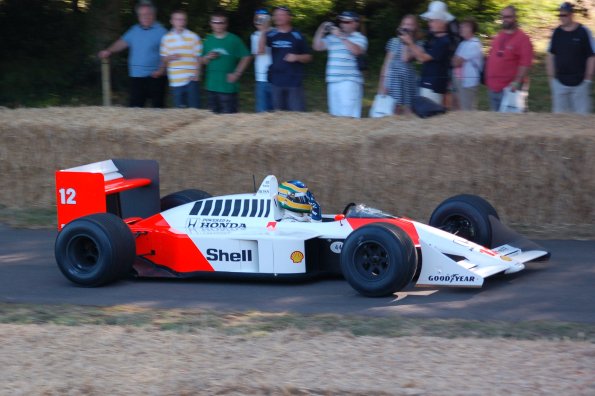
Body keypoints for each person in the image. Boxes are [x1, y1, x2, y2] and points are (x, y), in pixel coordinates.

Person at [98, 1, 167, 108]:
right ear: (138, 16)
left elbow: (167, 54)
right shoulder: (134, 30)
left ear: (153, 15)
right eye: (141, 15)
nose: (145, 17)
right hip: (136, 76)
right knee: (135, 108)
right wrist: (109, 51)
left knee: (158, 108)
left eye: (148, 14)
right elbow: (122, 42)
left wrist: (161, 70)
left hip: (156, 76)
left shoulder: (162, 32)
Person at [313, 11, 368, 118]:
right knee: (335, 118)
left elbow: (356, 51)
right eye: (341, 21)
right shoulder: (332, 38)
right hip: (332, 81)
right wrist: (322, 28)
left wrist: (341, 37)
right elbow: (317, 46)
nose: (342, 23)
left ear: (355, 23)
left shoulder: (360, 37)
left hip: (349, 82)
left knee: (348, 118)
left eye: (346, 21)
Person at [258, 6, 312, 111]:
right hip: (276, 82)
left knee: (297, 115)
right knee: (279, 115)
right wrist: (263, 31)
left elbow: (308, 57)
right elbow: (260, 50)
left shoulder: (297, 35)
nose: (278, 17)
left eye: (281, 14)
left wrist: (297, 57)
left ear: (289, 17)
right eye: (276, 15)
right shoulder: (271, 34)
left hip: (294, 82)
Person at [400, 1, 455, 105]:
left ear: (442, 22)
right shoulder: (433, 39)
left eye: (432, 21)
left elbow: (422, 58)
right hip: (426, 84)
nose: (429, 23)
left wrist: (410, 43)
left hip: (433, 86)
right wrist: (408, 39)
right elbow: (408, 57)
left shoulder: (444, 41)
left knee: (429, 117)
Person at [546, 2, 595, 114]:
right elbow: (550, 55)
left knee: (581, 120)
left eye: (565, 15)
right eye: (560, 15)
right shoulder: (556, 33)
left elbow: (591, 56)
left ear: (572, 15)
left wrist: (587, 79)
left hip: (580, 84)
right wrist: (552, 80)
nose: (561, 18)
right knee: (559, 119)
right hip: (560, 83)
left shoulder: (584, 32)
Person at [485, 6, 533, 111]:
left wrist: (516, 82)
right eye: (503, 17)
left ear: (515, 18)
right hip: (493, 88)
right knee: (496, 123)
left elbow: (525, 64)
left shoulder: (523, 39)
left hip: (510, 89)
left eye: (508, 17)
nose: (505, 19)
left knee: (511, 123)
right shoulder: (499, 36)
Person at [202, 12, 252, 114]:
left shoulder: (234, 39)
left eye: (221, 22)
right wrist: (207, 57)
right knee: (212, 120)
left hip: (228, 87)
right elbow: (202, 60)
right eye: (215, 22)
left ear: (226, 24)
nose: (218, 25)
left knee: (229, 120)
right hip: (211, 86)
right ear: (211, 23)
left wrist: (237, 74)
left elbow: (246, 57)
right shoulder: (208, 40)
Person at [378, 14, 421, 115]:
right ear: (401, 26)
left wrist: (407, 41)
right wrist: (382, 84)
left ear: (415, 27)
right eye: (405, 24)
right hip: (393, 78)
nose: (407, 27)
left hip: (408, 79)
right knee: (393, 108)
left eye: (410, 24)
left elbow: (405, 58)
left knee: (409, 108)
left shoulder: (417, 44)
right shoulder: (394, 41)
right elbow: (386, 63)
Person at [160, 10, 202, 108]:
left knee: (194, 109)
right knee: (179, 111)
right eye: (177, 19)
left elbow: (198, 58)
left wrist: (197, 74)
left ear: (186, 21)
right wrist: (170, 57)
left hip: (191, 79)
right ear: (172, 21)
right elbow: (163, 60)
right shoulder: (166, 38)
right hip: (175, 80)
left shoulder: (194, 36)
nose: (180, 22)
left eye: (183, 19)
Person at [452, 18, 483, 111]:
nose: (460, 29)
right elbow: (454, 61)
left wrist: (457, 60)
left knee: (467, 110)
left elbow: (457, 62)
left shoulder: (474, 44)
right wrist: (456, 60)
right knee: (459, 108)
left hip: (468, 82)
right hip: (459, 80)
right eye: (460, 27)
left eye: (463, 27)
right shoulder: (463, 43)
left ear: (471, 29)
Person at [251, 9, 273, 112]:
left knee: (276, 110)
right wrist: (263, 31)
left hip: (275, 77)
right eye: (258, 18)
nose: (260, 21)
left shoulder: (276, 32)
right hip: (261, 77)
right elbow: (260, 51)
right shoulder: (255, 35)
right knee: (262, 110)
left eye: (263, 18)